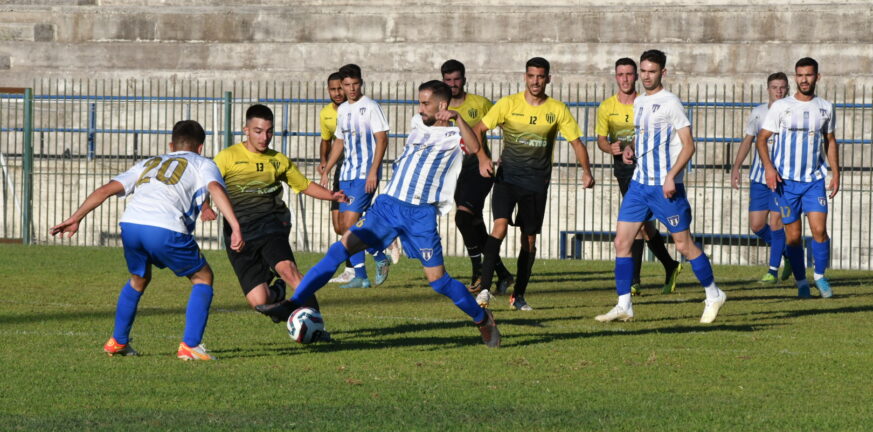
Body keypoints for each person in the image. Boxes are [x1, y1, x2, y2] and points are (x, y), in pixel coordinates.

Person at [257, 81, 501, 347]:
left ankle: (481, 318)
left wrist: (459, 118)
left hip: (420, 215)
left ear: (442, 105)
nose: (420, 108)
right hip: (387, 208)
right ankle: (292, 303)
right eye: (419, 102)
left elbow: (476, 146)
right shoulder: (418, 123)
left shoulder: (454, 137)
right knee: (339, 250)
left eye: (425, 103)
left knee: (439, 282)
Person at [50, 120, 244, 361]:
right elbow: (215, 187)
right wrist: (235, 226)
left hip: (131, 224)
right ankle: (190, 346)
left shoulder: (149, 163)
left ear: (171, 144)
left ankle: (118, 341)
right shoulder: (203, 163)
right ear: (201, 147)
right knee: (203, 277)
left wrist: (75, 218)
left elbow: (106, 189)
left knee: (139, 278)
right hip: (164, 226)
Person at [595, 49, 727, 324]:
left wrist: (671, 176)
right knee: (622, 242)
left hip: (665, 187)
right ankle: (624, 305)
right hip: (639, 185)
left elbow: (689, 145)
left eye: (651, 71)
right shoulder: (640, 102)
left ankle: (713, 294)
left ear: (662, 73)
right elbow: (646, 137)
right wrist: (631, 149)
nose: (645, 76)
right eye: (643, 71)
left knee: (684, 245)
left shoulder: (671, 103)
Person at [470, 57, 595, 311]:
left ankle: (519, 296)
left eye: (540, 76)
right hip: (507, 179)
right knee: (499, 227)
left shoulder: (557, 109)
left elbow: (577, 143)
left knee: (528, 241)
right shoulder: (508, 103)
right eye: (531, 76)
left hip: (537, 183)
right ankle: (484, 289)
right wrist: (482, 157)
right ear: (525, 77)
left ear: (548, 78)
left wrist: (586, 171)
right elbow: (478, 128)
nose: (535, 81)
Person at [205, 104, 346, 323]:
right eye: (258, 131)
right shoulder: (227, 157)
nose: (265, 137)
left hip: (271, 224)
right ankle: (278, 291)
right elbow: (208, 184)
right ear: (246, 129)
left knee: (288, 270)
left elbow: (304, 184)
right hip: (239, 232)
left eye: (269, 131)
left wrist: (331, 196)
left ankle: (317, 324)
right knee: (260, 302)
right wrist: (205, 206)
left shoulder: (278, 159)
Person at [596, 57, 681, 296]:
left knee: (642, 225)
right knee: (642, 225)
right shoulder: (606, 107)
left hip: (650, 168)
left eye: (629, 74)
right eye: (620, 74)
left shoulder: (644, 102)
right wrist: (609, 147)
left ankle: (639, 278)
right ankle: (666, 266)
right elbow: (601, 139)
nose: (625, 79)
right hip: (624, 171)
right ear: (616, 76)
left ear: (635, 76)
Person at [756, 57, 839, 298]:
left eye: (809, 75)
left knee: (819, 230)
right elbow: (762, 139)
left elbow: (830, 140)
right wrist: (769, 169)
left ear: (817, 77)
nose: (804, 79)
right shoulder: (782, 106)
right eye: (800, 75)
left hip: (814, 181)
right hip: (786, 183)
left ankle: (821, 278)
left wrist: (836, 172)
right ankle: (802, 282)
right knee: (792, 237)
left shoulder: (825, 107)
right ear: (796, 77)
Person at [440, 59, 514, 292]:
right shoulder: (439, 107)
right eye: (448, 80)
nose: (453, 84)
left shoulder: (480, 103)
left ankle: (479, 274)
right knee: (474, 223)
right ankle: (501, 273)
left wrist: (505, 155)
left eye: (457, 79)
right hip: (454, 173)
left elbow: (508, 125)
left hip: (480, 169)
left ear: (464, 79)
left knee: (462, 218)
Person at [320, 64, 393, 288]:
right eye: (347, 85)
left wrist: (373, 171)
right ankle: (360, 276)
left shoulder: (370, 106)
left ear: (361, 83)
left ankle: (380, 255)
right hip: (347, 173)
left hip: (364, 174)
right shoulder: (342, 110)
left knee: (350, 224)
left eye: (355, 84)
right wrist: (329, 167)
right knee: (343, 227)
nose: (351, 89)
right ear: (341, 86)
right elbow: (340, 141)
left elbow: (382, 139)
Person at [730, 72, 791, 283]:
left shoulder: (792, 112)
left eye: (782, 87)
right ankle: (788, 254)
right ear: (768, 89)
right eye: (775, 87)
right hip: (759, 176)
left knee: (776, 222)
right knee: (756, 225)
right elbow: (748, 141)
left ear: (787, 89)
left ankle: (772, 271)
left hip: (782, 178)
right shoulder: (758, 112)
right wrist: (736, 167)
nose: (779, 91)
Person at [318, 71, 356, 284]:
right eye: (333, 89)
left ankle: (351, 269)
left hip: (356, 168)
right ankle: (380, 240)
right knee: (338, 226)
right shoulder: (325, 113)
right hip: (340, 167)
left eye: (340, 88)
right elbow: (326, 139)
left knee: (349, 221)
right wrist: (324, 161)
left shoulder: (356, 109)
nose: (337, 93)